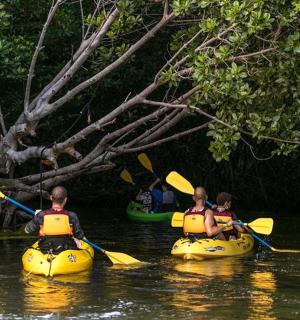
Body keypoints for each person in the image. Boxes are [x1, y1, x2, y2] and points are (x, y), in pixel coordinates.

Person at [24, 186, 85, 254]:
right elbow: (80, 236)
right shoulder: (71, 216)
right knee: (78, 242)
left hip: (45, 248)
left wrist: (36, 216)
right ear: (65, 199)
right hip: (66, 249)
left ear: (51, 197)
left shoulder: (41, 215)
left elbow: (27, 230)